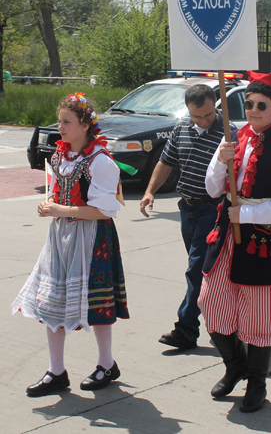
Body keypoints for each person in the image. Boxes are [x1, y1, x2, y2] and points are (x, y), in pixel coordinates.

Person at [198, 71, 271, 413]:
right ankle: (235, 365)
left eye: (262, 105)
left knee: (259, 315)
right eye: (249, 104)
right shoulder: (233, 139)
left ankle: (257, 382)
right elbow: (212, 189)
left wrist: (243, 216)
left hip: (262, 238)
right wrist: (221, 160)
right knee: (210, 303)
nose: (254, 110)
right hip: (228, 235)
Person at [11, 92, 129, 396]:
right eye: (60, 121)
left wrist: (60, 210)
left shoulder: (100, 161)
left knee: (97, 303)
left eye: (66, 122)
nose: (60, 127)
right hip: (61, 235)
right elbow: (55, 190)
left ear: (85, 125)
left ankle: (106, 363)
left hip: (92, 237)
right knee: (51, 299)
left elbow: (106, 210)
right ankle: (56, 370)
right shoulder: (60, 155)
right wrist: (48, 202)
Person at [140, 84, 226, 350]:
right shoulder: (181, 129)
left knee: (197, 270)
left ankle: (186, 329)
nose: (203, 120)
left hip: (213, 210)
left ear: (216, 106)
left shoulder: (228, 133)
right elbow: (166, 162)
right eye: (197, 116)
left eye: (208, 115)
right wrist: (149, 191)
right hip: (186, 209)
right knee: (212, 273)